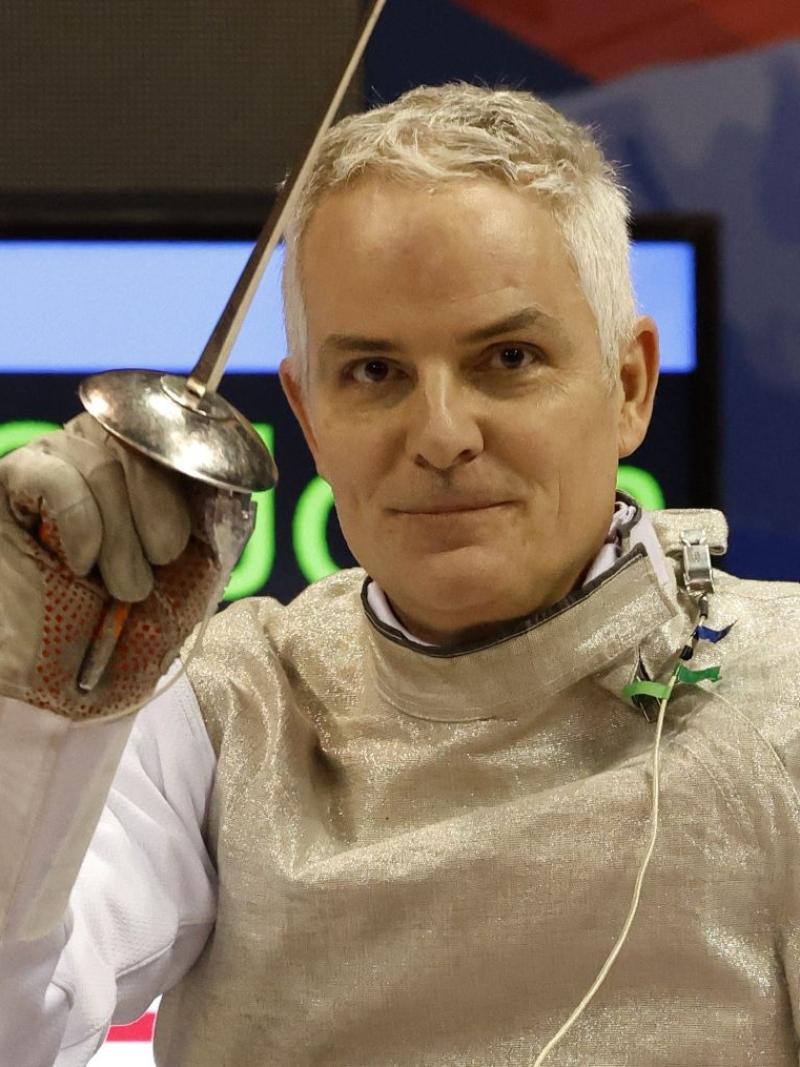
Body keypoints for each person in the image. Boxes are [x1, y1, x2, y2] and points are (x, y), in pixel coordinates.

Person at [1, 82, 799, 1067]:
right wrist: (35, 715)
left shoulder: (786, 693)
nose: (440, 436)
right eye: (373, 372)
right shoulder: (221, 709)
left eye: (507, 356)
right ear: (305, 412)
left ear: (627, 382)